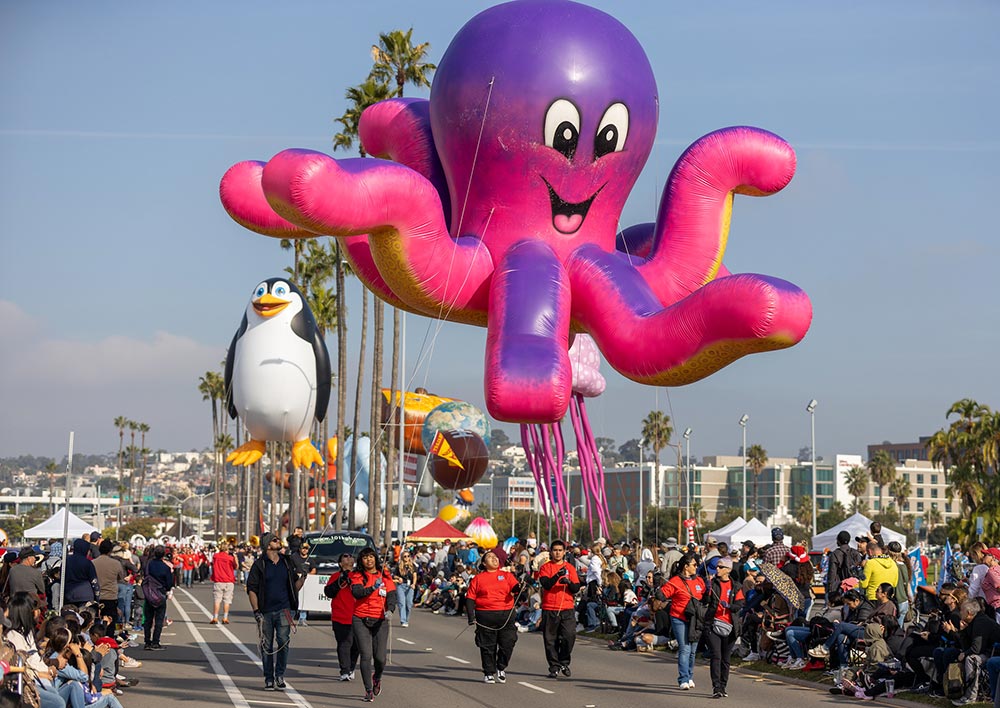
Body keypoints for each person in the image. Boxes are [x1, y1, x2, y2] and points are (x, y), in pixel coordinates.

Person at [247, 533, 305, 691]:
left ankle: (280, 675)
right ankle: (268, 678)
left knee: (283, 642)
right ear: (267, 545)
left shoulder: (286, 562)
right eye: (274, 540)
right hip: (265, 610)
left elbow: (294, 586)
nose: (278, 541)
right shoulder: (260, 564)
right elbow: (251, 589)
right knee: (266, 645)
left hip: (284, 609)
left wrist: (303, 577)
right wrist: (256, 611)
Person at [466, 550, 521, 683]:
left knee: (508, 642)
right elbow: (470, 598)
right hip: (485, 615)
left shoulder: (506, 575)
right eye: (490, 557)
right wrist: (470, 616)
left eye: (495, 557)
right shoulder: (478, 579)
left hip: (506, 614)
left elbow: (516, 588)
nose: (494, 559)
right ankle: (489, 672)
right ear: (484, 563)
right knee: (487, 646)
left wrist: (519, 588)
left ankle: (501, 667)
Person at [350, 547, 396, 702]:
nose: (368, 560)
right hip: (360, 618)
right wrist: (372, 588)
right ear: (361, 560)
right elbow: (357, 593)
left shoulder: (386, 576)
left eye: (371, 557)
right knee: (366, 655)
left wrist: (391, 610)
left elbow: (391, 596)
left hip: (380, 620)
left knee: (380, 658)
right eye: (365, 557)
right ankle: (368, 690)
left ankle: (377, 677)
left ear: (376, 558)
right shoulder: (357, 575)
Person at [659, 552, 707, 690]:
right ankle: (683, 678)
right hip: (679, 617)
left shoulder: (699, 581)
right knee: (685, 648)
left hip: (695, 618)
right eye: (694, 565)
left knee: (693, 650)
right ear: (686, 566)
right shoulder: (675, 581)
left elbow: (704, 595)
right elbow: (663, 594)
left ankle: (690, 676)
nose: (696, 567)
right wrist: (659, 592)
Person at [537, 539, 581, 679]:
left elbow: (576, 588)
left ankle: (564, 661)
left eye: (560, 550)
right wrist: (558, 575)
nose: (557, 553)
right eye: (555, 550)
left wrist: (568, 582)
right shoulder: (545, 567)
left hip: (567, 607)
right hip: (550, 607)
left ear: (564, 552)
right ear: (551, 551)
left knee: (569, 635)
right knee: (550, 639)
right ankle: (554, 666)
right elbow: (546, 585)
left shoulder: (570, 568)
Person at [703, 556, 744, 698]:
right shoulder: (712, 583)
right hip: (713, 625)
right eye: (717, 567)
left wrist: (730, 606)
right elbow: (705, 600)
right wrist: (707, 591)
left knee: (726, 659)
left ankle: (723, 685)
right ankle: (716, 687)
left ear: (728, 570)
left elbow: (740, 605)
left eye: (721, 567)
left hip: (730, 627)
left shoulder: (736, 586)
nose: (717, 569)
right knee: (716, 655)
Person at [324, 553, 359, 682]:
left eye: (351, 556)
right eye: (345, 556)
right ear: (340, 563)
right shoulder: (335, 576)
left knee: (356, 645)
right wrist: (340, 581)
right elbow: (328, 592)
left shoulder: (358, 576)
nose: (349, 558)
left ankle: (351, 667)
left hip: (357, 616)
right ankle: (344, 670)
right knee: (344, 643)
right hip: (340, 616)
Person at [142, 545, 174, 650]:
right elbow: (170, 583)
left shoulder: (149, 564)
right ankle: (155, 642)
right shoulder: (165, 567)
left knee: (148, 619)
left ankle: (147, 641)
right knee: (159, 619)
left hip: (149, 593)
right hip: (160, 594)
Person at [92, 540, 125, 624]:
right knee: (111, 623)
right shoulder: (116, 563)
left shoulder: (93, 563)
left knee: (97, 622)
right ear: (110, 550)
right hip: (111, 596)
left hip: (96, 596)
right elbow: (121, 578)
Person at [64, 538, 98, 605]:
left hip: (69, 595)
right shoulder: (87, 562)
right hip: (86, 595)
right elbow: (94, 580)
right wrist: (97, 597)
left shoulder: (66, 561)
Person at [210, 542, 238, 625]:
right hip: (228, 580)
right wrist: (235, 557)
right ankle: (225, 618)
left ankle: (215, 617)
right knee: (227, 600)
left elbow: (213, 564)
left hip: (218, 580)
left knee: (217, 600)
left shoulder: (215, 556)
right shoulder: (230, 558)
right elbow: (236, 567)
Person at [290, 541, 316, 626]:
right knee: (294, 599)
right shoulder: (294, 557)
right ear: (300, 549)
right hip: (296, 581)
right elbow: (290, 567)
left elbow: (313, 570)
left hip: (306, 582)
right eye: (303, 548)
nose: (305, 550)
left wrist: (309, 575)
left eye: (306, 549)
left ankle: (302, 618)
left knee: (305, 600)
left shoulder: (310, 559)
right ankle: (290, 618)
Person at [393, 550, 417, 628]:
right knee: (401, 603)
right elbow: (394, 575)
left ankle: (406, 619)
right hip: (401, 585)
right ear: (402, 557)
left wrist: (414, 584)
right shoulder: (399, 566)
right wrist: (398, 578)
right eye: (405, 556)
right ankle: (403, 620)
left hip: (410, 586)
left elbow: (415, 576)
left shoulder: (413, 566)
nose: (406, 558)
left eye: (408, 556)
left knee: (409, 604)